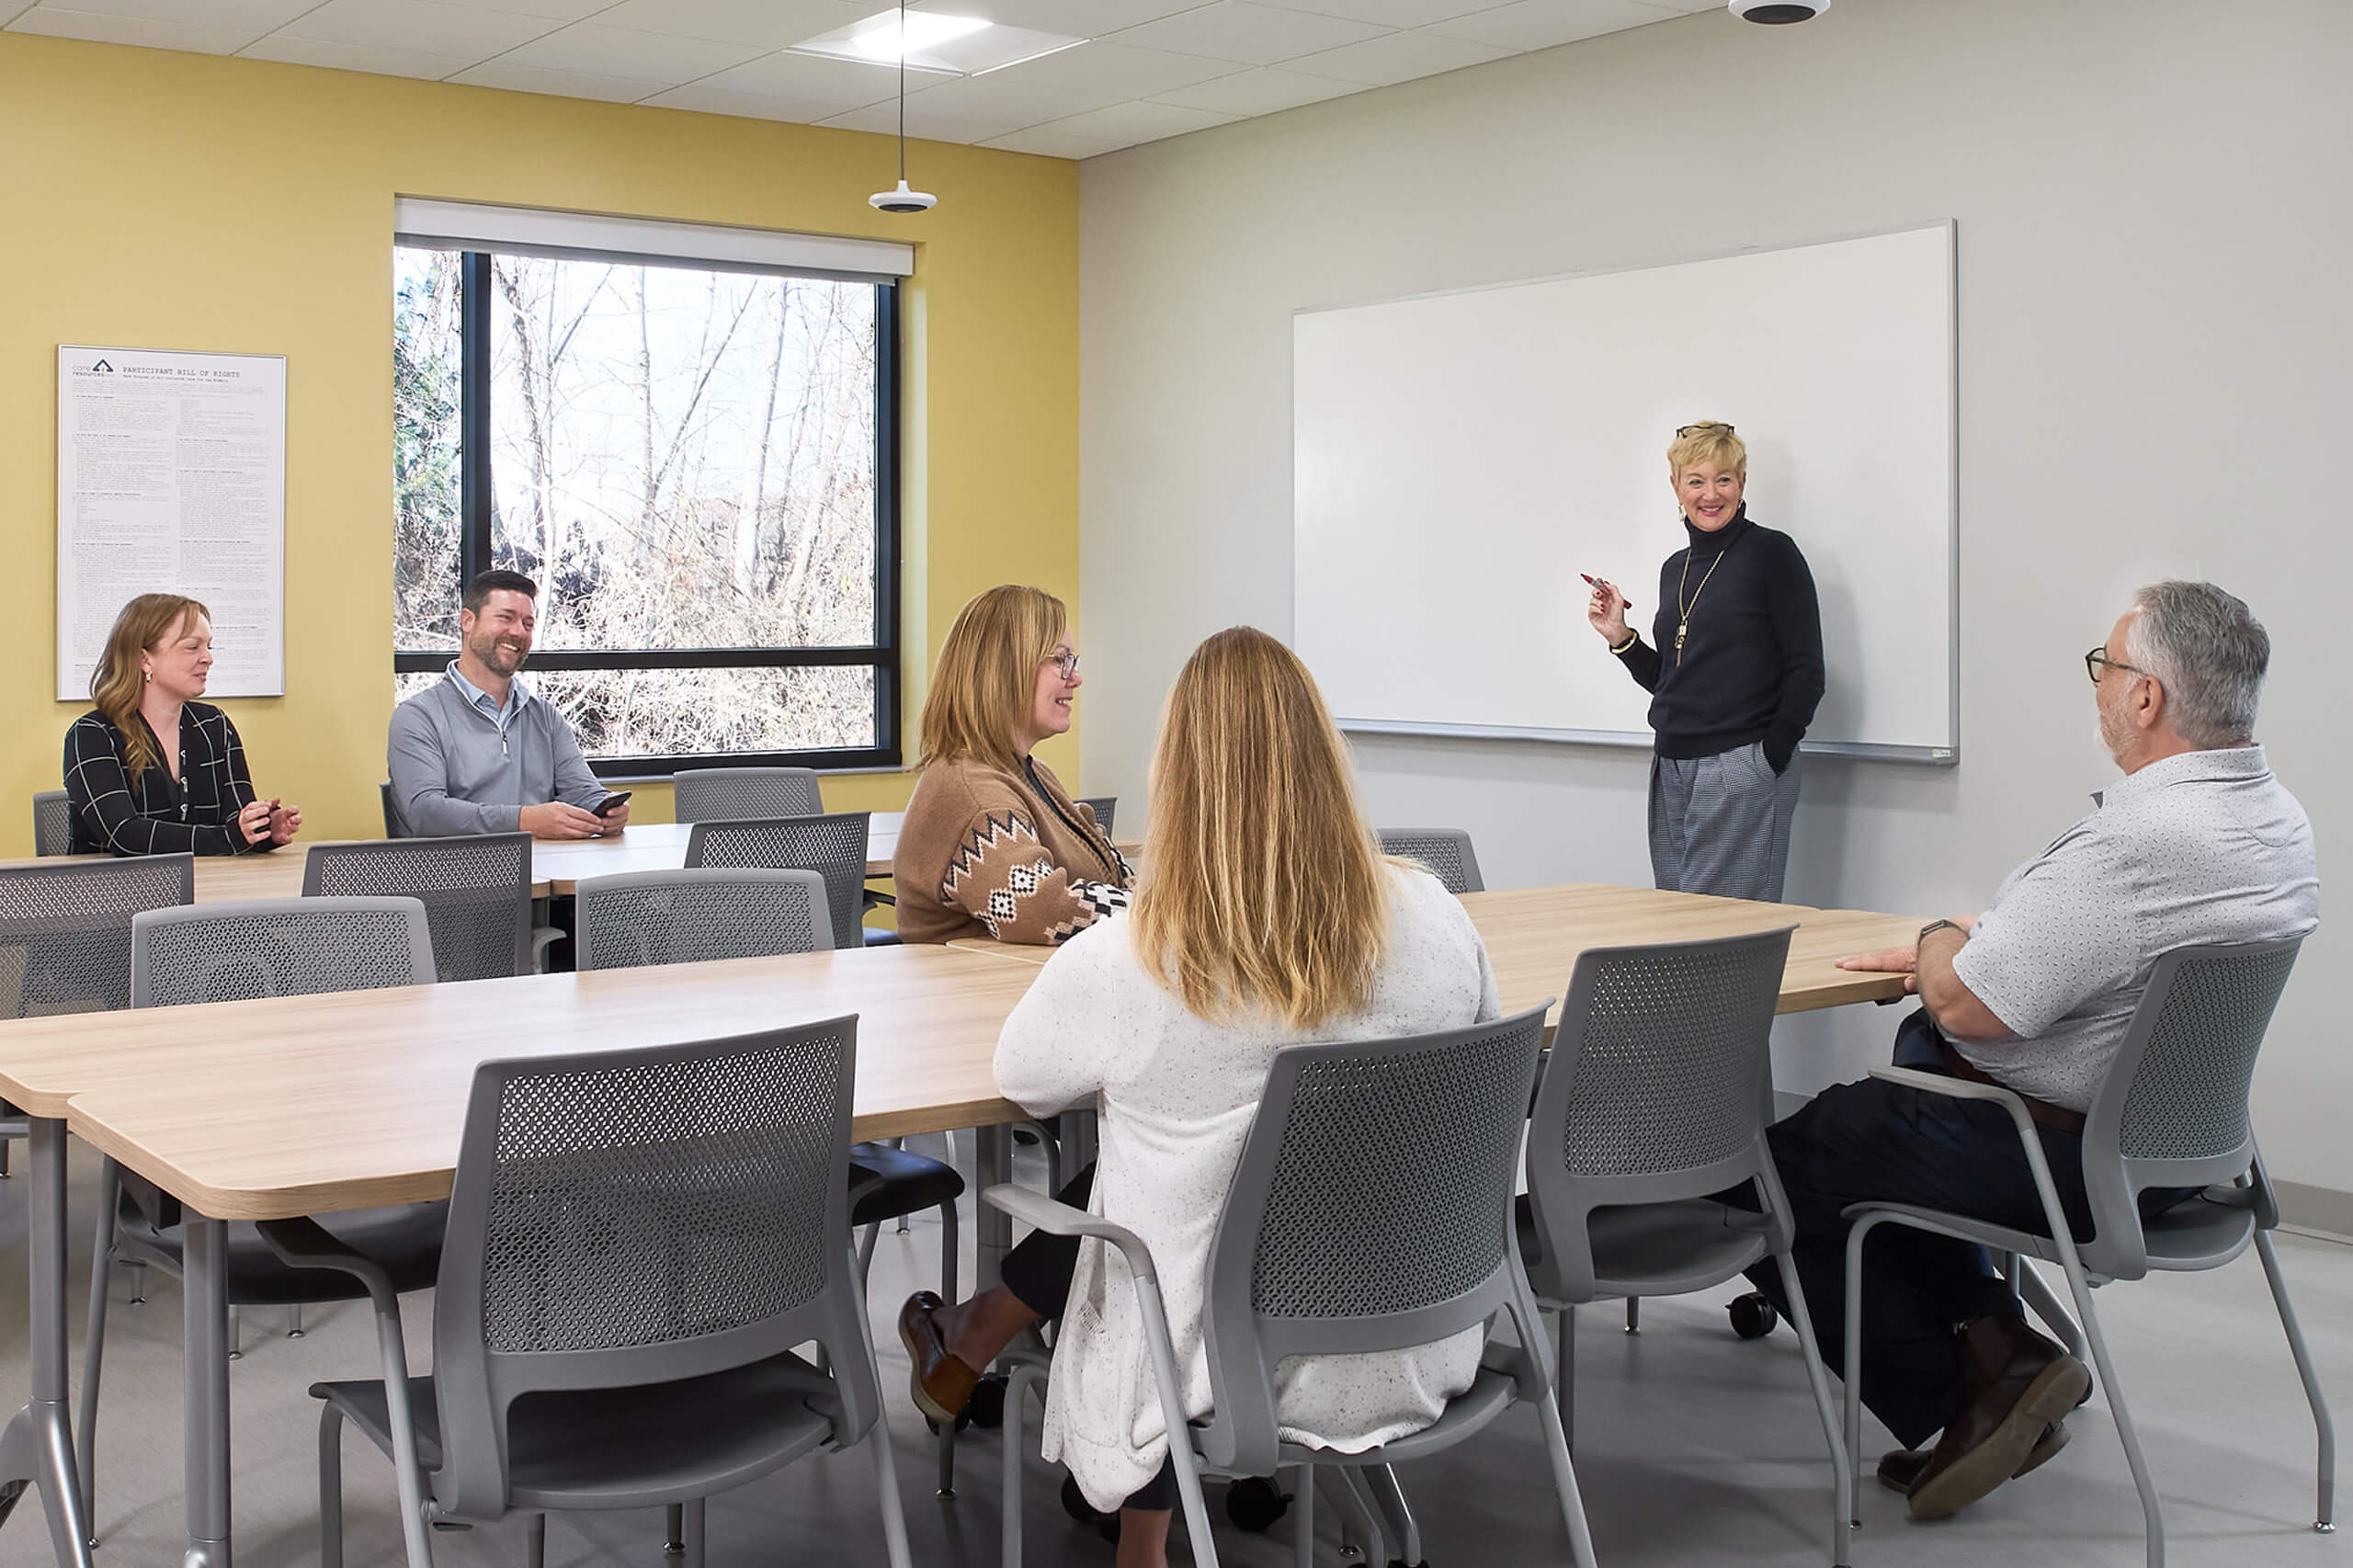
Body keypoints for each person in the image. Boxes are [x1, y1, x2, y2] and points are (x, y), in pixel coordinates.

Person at [900, 626, 1499, 1568]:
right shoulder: (1439, 916)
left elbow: (1022, 1076)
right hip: (1417, 1341)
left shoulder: (1137, 954)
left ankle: (1038, 1400)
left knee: (1141, 1176)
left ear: (1174, 771)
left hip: (1206, 1366)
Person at [1743, 582, 2316, 1523]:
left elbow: (1968, 1002)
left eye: (2107, 665)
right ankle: (1997, 1343)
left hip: (2074, 1160)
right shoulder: (2272, 820)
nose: (2097, 687)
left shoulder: (2137, 839)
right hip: (2190, 1160)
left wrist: (1937, 940)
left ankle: (1957, 1393)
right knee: (1916, 1060)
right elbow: (2080, 947)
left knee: (1778, 1165)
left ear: (2146, 698)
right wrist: (1980, 942)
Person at [1586, 421, 1824, 902]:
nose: (1710, 494)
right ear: (1676, 487)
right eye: (1696, 480)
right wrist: (1621, 637)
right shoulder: (1675, 568)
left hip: (1740, 762)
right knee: (1679, 926)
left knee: (1722, 937)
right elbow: (1676, 681)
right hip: (1671, 764)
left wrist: (1768, 757)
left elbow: (1807, 670)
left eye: (1724, 479)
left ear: (1741, 484)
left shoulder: (1771, 553)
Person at [892, 584, 1130, 945]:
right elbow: (1039, 909)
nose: (1075, 678)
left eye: (1073, 661)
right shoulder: (969, 790)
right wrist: (1158, 916)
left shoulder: (1030, 773)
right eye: (1059, 660)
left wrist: (1168, 909)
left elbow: (1109, 868)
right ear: (1006, 670)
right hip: (978, 998)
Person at [386, 569, 626, 839]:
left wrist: (607, 807)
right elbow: (425, 813)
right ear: (467, 620)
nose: (518, 632)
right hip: (452, 876)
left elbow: (583, 790)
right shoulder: (418, 717)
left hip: (545, 871)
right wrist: (524, 820)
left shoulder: (545, 717)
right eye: (506, 618)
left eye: (527, 623)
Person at [63, 593, 301, 856]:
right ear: (145, 660)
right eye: (192, 647)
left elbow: (237, 822)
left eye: (209, 646)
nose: (208, 658)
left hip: (209, 888)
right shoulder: (91, 735)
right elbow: (125, 835)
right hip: (113, 891)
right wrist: (231, 836)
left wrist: (263, 830)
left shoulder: (214, 725)